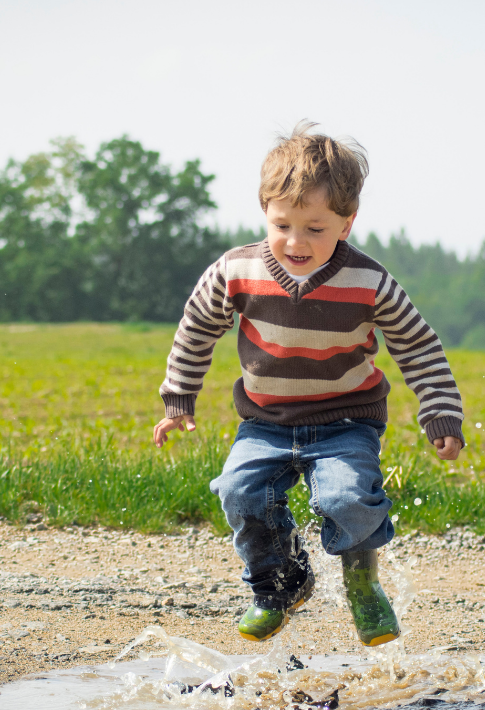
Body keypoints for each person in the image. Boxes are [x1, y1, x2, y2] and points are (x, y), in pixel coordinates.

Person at [153, 121, 464, 647]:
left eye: (315, 229)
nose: (296, 242)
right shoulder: (236, 270)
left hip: (347, 421)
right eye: (283, 225)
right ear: (265, 213)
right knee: (239, 492)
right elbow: (197, 327)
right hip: (265, 422)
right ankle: (281, 584)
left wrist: (440, 413)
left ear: (347, 223)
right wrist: (178, 396)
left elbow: (418, 346)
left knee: (346, 499)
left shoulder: (370, 283)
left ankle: (363, 581)